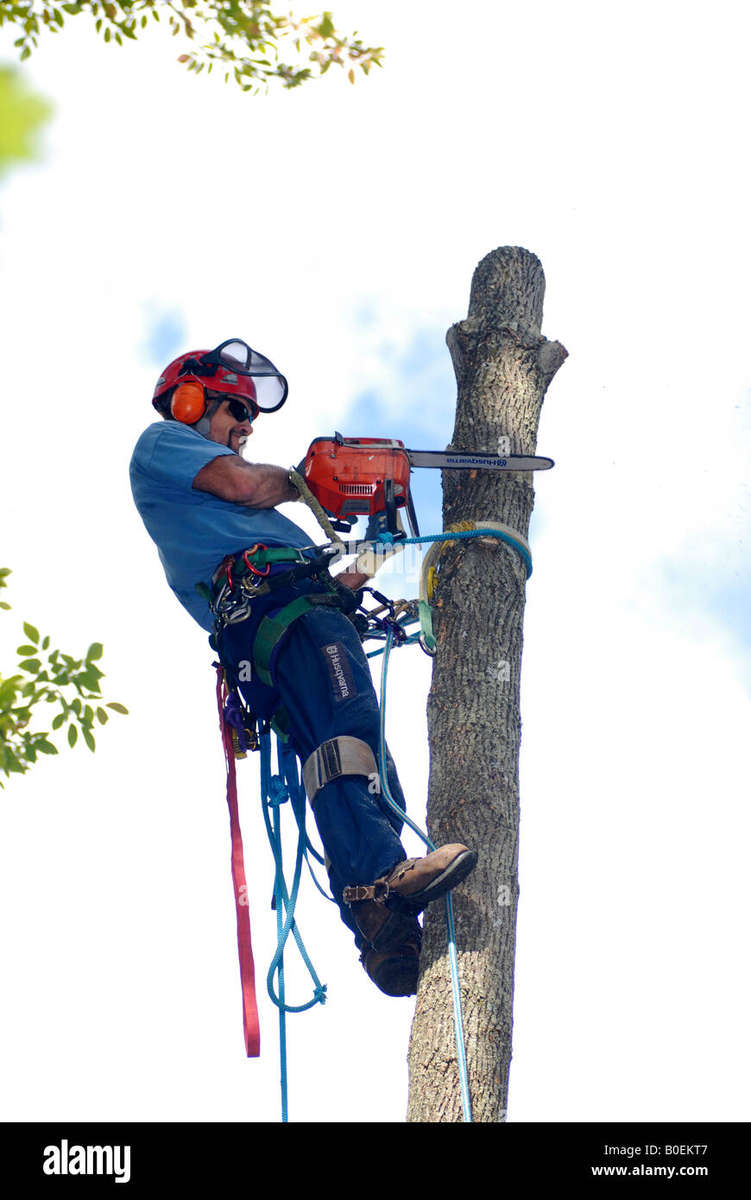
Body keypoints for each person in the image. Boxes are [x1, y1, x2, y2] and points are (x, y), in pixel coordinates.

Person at [129, 338, 477, 997]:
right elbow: (245, 483)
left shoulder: (244, 524)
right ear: (190, 401)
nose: (246, 428)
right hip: (283, 621)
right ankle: (383, 876)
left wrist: (378, 550)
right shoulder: (163, 445)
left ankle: (383, 926)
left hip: (298, 619)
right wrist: (303, 477)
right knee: (347, 737)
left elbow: (329, 586)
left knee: (354, 756)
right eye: (235, 411)